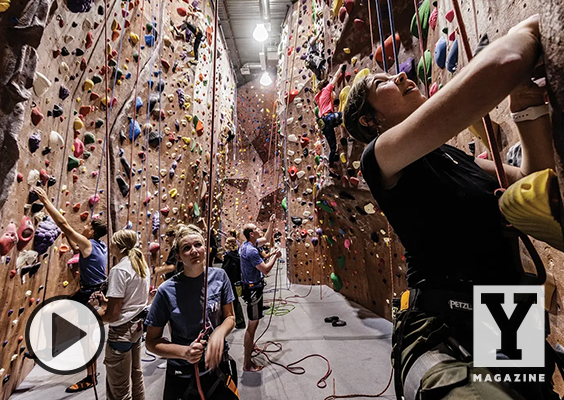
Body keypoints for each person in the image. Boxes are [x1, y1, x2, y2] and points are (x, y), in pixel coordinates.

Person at [343, 15, 558, 400]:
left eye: (396, 74)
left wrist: (525, 107)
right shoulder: (382, 158)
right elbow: (503, 64)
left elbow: (533, 180)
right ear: (370, 119)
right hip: (441, 324)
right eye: (383, 83)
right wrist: (529, 31)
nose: (403, 77)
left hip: (507, 309)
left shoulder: (456, 158)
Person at [145, 225, 238, 399]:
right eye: (187, 248)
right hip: (184, 372)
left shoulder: (220, 277)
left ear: (206, 248)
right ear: (178, 257)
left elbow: (230, 317)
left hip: (218, 365)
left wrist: (219, 333)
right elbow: (151, 342)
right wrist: (184, 352)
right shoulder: (167, 290)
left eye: (198, 245)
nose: (194, 251)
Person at [34, 187, 107, 393]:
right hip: (92, 290)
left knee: (86, 337)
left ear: (92, 231)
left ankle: (90, 378)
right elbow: (76, 250)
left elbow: (64, 224)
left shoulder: (88, 242)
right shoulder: (99, 246)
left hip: (90, 294)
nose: (83, 227)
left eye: (86, 225)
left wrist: (46, 201)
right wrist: (67, 236)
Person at [91, 229, 150, 400]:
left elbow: (113, 316)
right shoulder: (141, 266)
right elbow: (130, 303)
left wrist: (92, 315)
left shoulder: (119, 270)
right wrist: (105, 302)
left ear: (117, 245)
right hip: (136, 329)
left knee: (119, 389)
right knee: (136, 376)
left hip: (121, 334)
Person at [239, 214, 281, 372]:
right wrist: (275, 257)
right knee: (252, 325)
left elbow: (267, 238)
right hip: (253, 290)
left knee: (253, 324)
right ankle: (247, 363)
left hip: (251, 287)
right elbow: (266, 270)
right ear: (251, 234)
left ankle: (250, 347)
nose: (259, 230)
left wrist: (271, 223)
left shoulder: (248, 244)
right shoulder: (251, 251)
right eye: (256, 229)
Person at [315, 64, 346, 168]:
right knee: (346, 115)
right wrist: (340, 68)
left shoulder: (318, 99)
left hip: (324, 123)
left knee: (333, 147)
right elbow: (335, 78)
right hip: (329, 118)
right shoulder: (326, 90)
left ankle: (330, 163)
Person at [222, 237, 246, 329]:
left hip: (230, 281)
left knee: (234, 302)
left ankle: (240, 321)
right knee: (236, 301)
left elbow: (225, 270)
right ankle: (240, 321)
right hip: (236, 280)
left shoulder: (229, 257)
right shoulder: (236, 255)